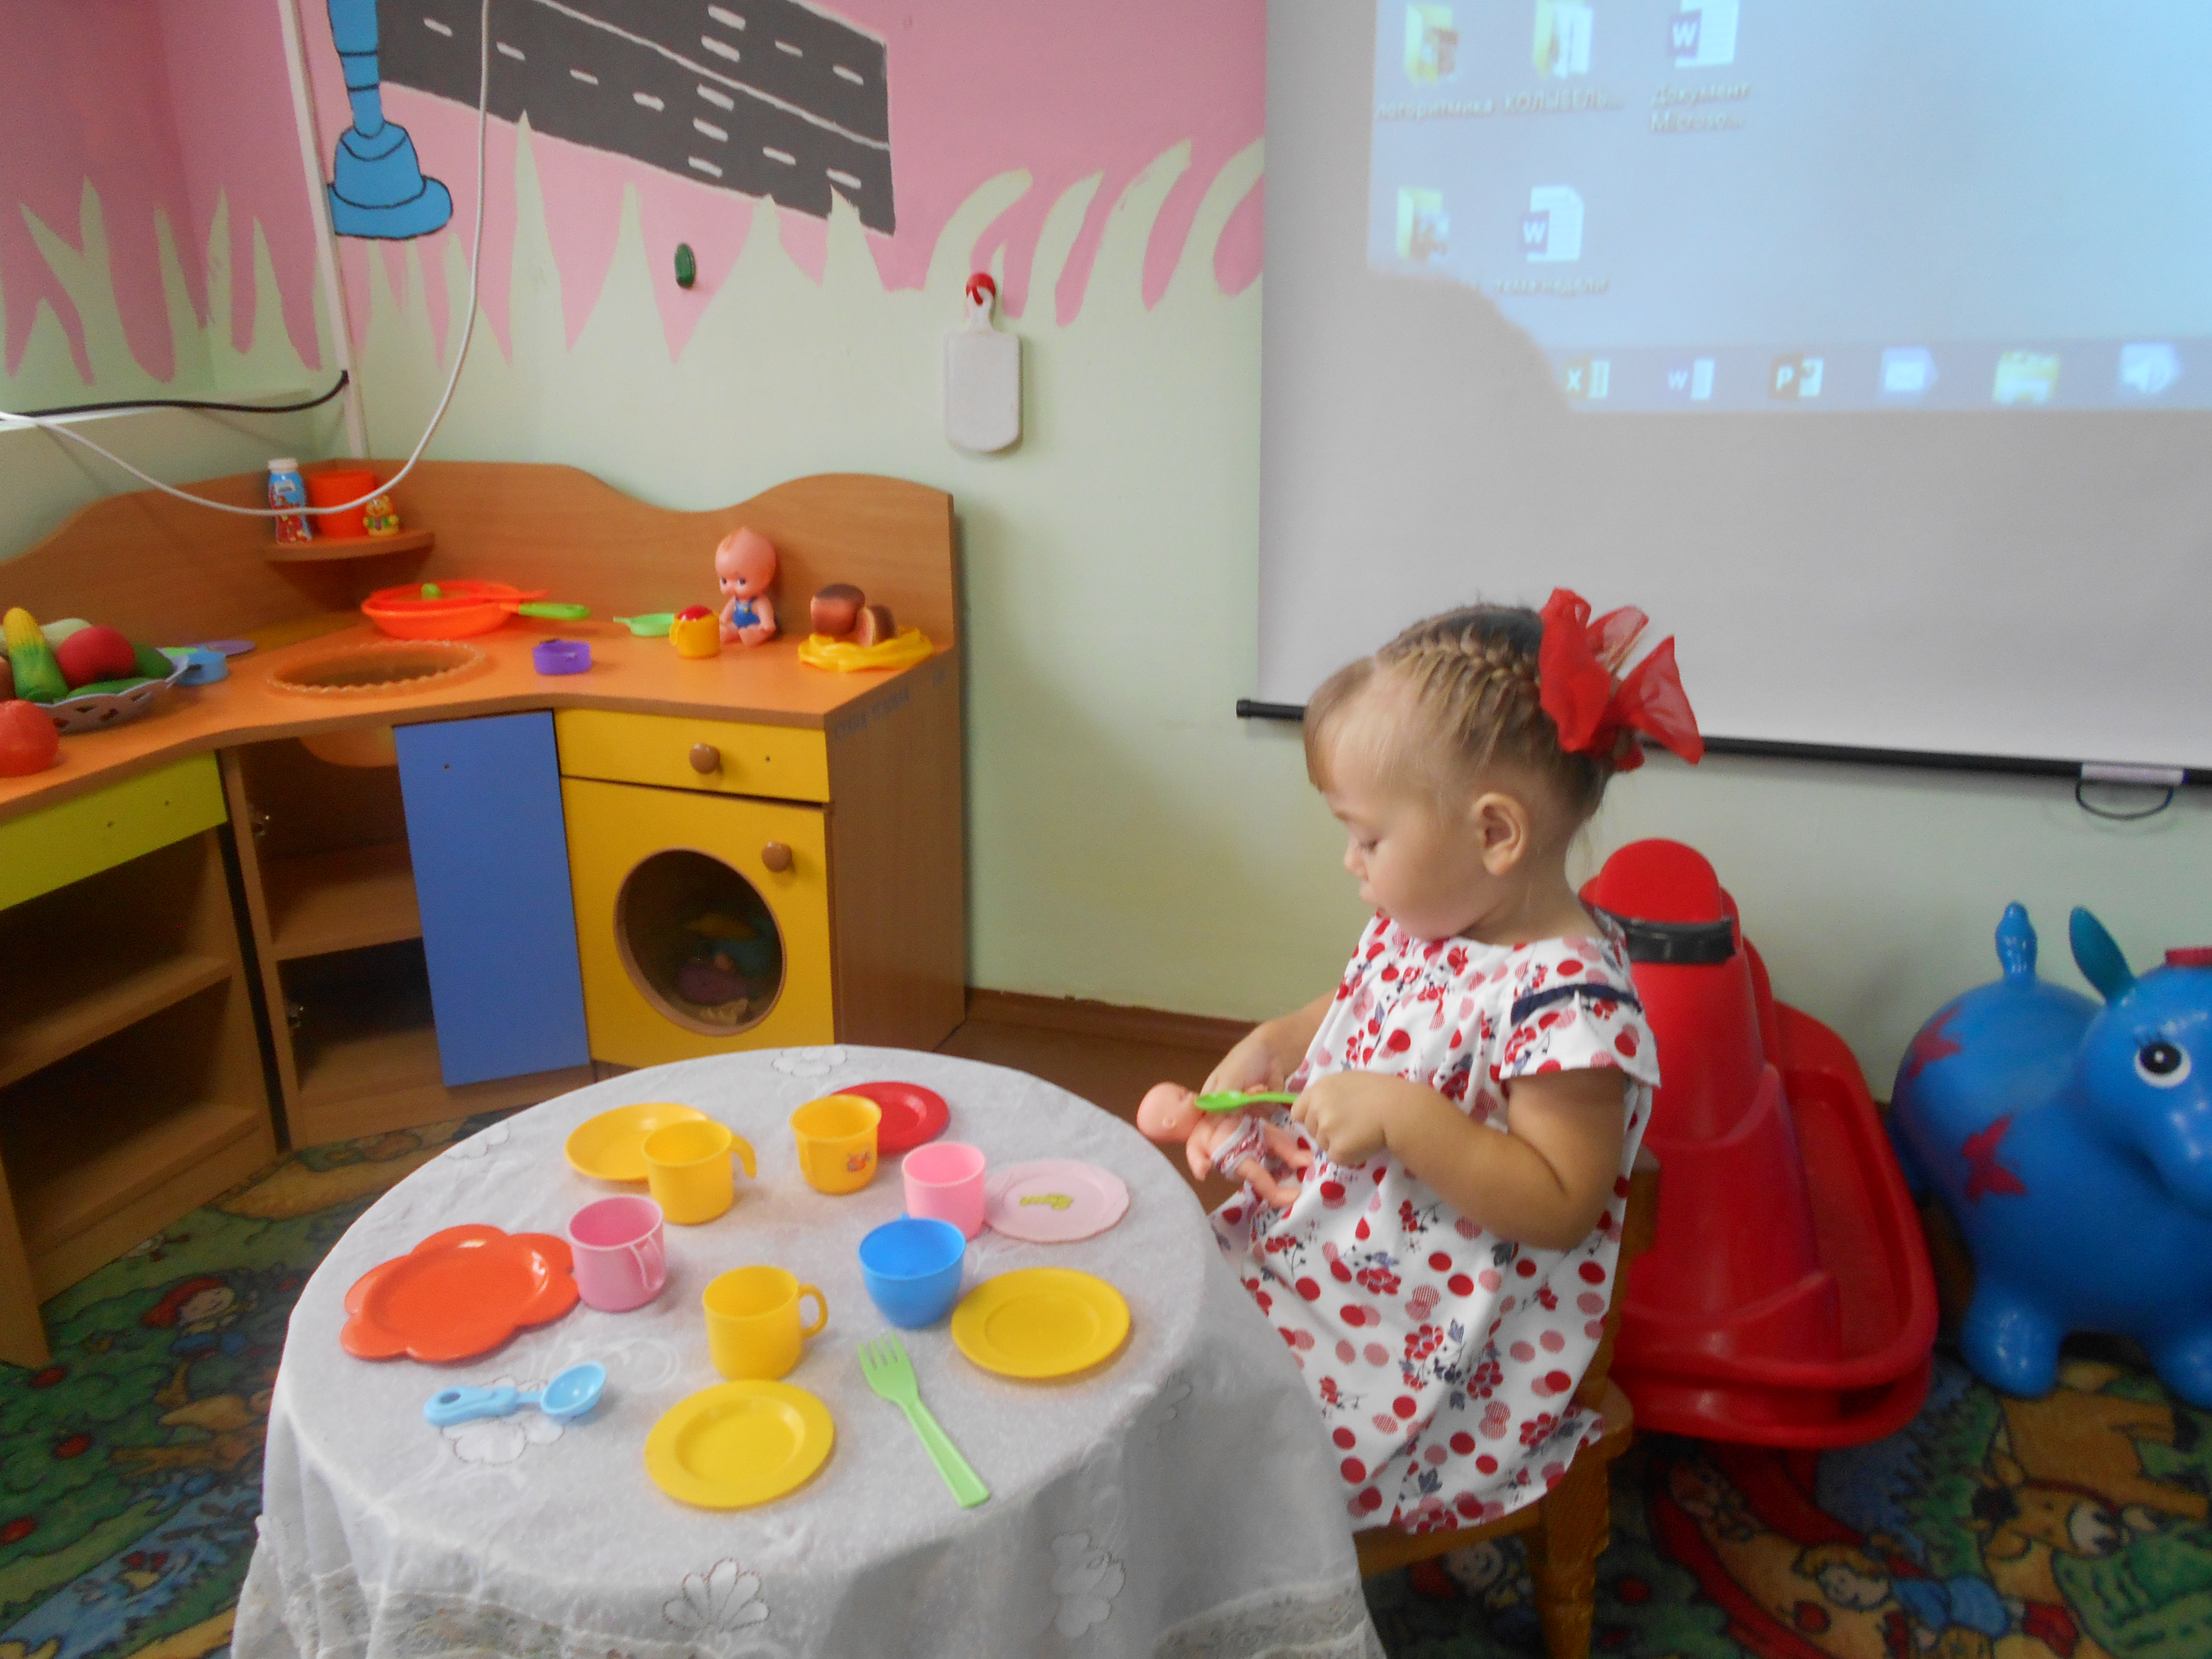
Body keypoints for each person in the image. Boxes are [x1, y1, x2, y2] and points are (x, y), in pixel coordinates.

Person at [1147, 590, 1701, 1531]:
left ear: (1494, 835)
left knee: (1219, 1462)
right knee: (1154, 1334)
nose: (1350, 862)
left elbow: (1562, 1202)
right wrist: (1281, 1039)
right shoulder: (1434, 919)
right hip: (1322, 1257)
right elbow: (1364, 1005)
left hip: (1420, 1352)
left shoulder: (1567, 1005)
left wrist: (1406, 1118)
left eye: (1368, 837)